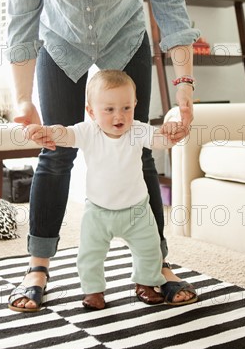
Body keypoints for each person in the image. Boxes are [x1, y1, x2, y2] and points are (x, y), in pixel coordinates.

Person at [5, 0, 200, 312]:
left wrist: (184, 91)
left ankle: (156, 263)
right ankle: (37, 267)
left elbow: (168, 2)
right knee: (57, 155)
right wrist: (21, 98)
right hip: (61, 46)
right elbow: (23, 17)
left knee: (136, 146)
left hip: (124, 38)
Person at [20, 70, 197, 310]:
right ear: (91, 111)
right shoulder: (88, 130)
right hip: (98, 212)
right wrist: (46, 131)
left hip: (137, 211)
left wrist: (173, 133)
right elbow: (66, 134)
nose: (119, 116)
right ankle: (93, 291)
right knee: (90, 256)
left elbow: (160, 140)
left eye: (126, 108)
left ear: (135, 104)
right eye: (109, 109)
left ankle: (145, 284)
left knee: (150, 250)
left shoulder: (137, 130)